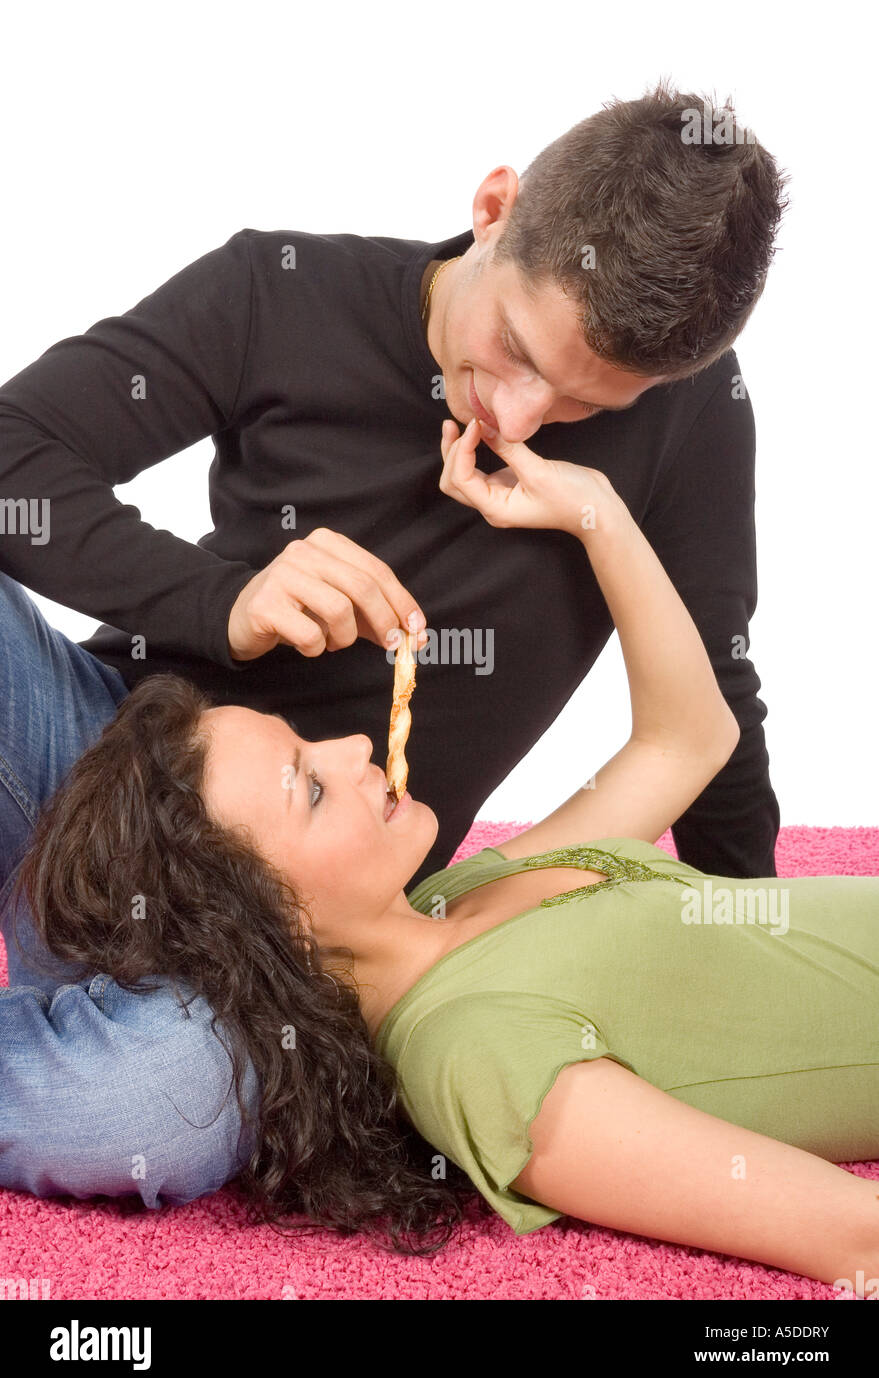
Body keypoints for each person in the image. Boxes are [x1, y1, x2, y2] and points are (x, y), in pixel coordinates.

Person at [0, 80, 790, 1209]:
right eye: (513, 347)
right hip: (90, 763)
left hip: (280, 932)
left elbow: (713, 691)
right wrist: (223, 600)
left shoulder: (690, 415)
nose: (512, 419)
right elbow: (14, 451)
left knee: (154, 1105)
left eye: (581, 407)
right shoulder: (275, 293)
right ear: (494, 203)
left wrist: (742, 943)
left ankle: (74, 1031)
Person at [5, 415, 878, 1289]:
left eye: (307, 743)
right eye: (309, 787)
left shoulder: (457, 895)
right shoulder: (469, 1054)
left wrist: (600, 516)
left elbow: (688, 738)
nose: (352, 749)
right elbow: (850, 1236)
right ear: (269, 924)